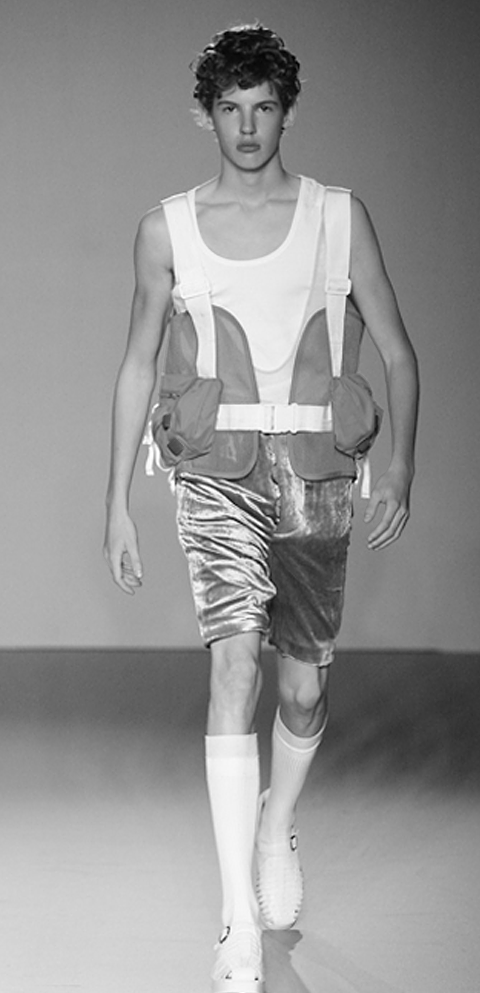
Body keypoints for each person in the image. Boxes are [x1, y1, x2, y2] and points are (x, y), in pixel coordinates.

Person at [104, 24, 419, 993]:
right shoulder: (167, 229)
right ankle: (238, 920)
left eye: (264, 108)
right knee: (234, 661)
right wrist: (117, 499)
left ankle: (278, 823)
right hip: (215, 472)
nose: (247, 127)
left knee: (304, 689)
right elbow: (138, 364)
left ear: (288, 111)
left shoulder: (339, 218)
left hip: (319, 473)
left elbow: (398, 351)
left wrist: (401, 468)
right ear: (206, 114)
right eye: (230, 109)